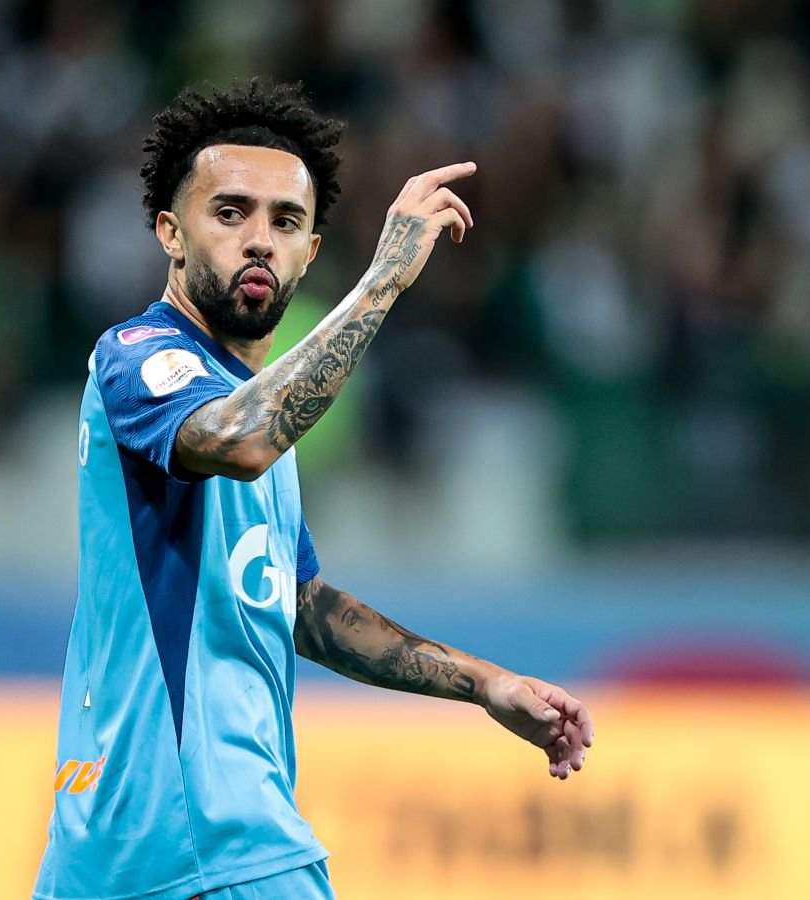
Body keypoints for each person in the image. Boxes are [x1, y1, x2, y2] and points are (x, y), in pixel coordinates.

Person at [33, 79, 594, 900]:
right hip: (210, 836)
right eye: (230, 213)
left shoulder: (258, 406)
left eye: (285, 221)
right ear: (170, 233)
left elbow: (298, 606)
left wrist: (485, 683)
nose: (260, 239)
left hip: (114, 851)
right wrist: (385, 280)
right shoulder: (143, 357)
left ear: (310, 250)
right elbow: (240, 441)